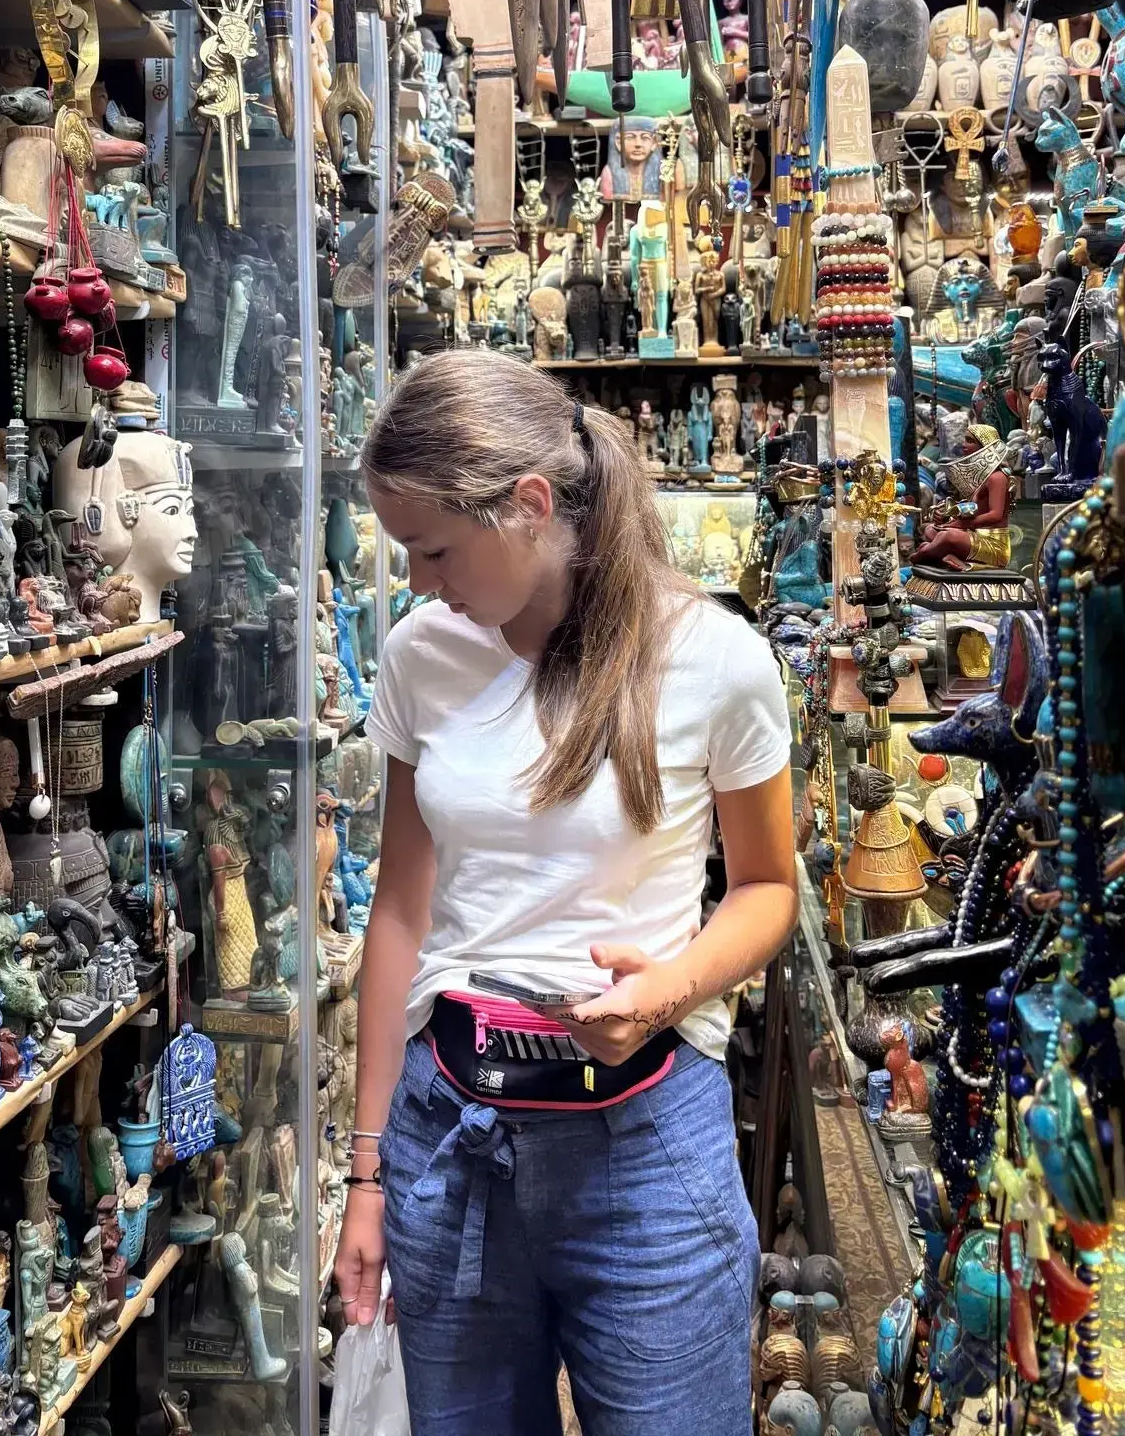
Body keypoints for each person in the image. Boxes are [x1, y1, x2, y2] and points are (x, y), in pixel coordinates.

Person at [333, 351, 796, 1434]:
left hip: (642, 1147)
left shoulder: (716, 660)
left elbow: (770, 887)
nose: (419, 579)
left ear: (531, 505)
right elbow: (400, 908)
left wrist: (671, 985)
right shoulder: (419, 656)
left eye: (435, 547)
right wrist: (368, 1176)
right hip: (448, 1139)